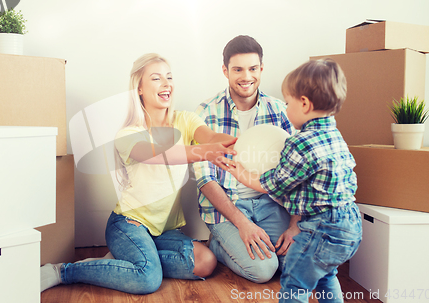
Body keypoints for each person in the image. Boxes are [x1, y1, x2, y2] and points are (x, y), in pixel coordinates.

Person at [41, 53, 238, 294]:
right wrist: (205, 152)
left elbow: (211, 137)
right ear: (140, 88)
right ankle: (63, 271)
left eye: (169, 77)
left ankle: (126, 262)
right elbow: (158, 154)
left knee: (206, 262)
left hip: (165, 230)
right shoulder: (129, 134)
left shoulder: (185, 120)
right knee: (147, 279)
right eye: (156, 78)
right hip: (129, 224)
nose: (167, 84)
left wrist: (237, 143)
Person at [223, 58, 362, 302]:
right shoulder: (335, 135)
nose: (285, 110)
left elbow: (273, 184)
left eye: (288, 103)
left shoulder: (300, 143)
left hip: (320, 228)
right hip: (350, 224)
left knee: (294, 284)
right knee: (326, 275)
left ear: (305, 104)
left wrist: (240, 173)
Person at [193, 35, 297, 283]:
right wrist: (242, 224)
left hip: (271, 202)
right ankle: (219, 245)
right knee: (263, 270)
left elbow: (297, 174)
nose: (246, 76)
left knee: (296, 264)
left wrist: (295, 227)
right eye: (238, 69)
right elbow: (205, 180)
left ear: (261, 69)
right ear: (225, 71)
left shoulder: (281, 111)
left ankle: (244, 243)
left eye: (252, 68)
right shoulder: (206, 113)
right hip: (229, 208)